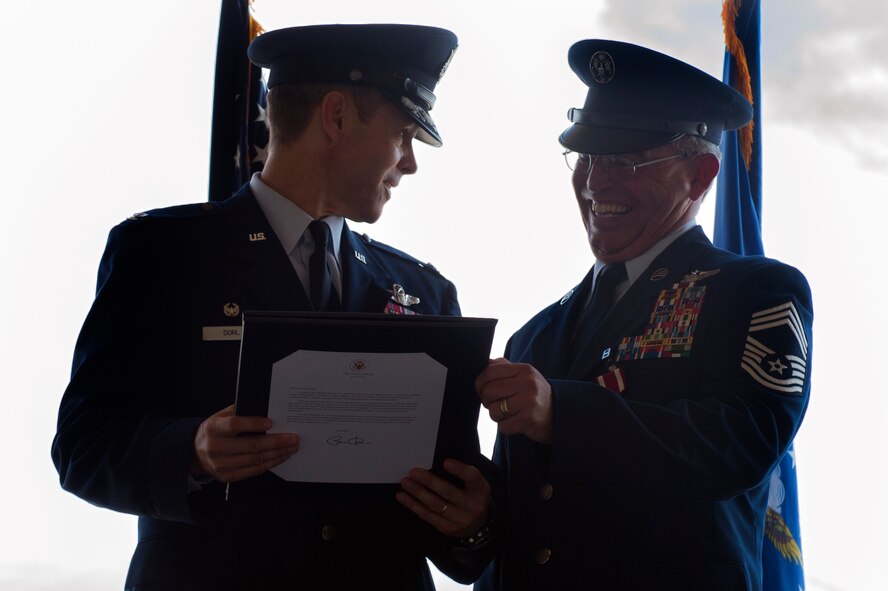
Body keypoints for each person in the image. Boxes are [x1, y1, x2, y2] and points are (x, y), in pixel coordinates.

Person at [52, 24, 497, 590]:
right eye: (404, 134)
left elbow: (454, 511)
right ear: (335, 116)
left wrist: (474, 520)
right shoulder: (164, 253)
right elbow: (83, 446)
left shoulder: (424, 292)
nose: (409, 163)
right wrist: (191, 451)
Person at [474, 39, 812, 590]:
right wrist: (472, 522)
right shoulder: (536, 334)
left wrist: (563, 413)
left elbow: (738, 446)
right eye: (586, 157)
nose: (595, 182)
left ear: (701, 174)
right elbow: (523, 521)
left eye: (624, 161)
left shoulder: (755, 292)